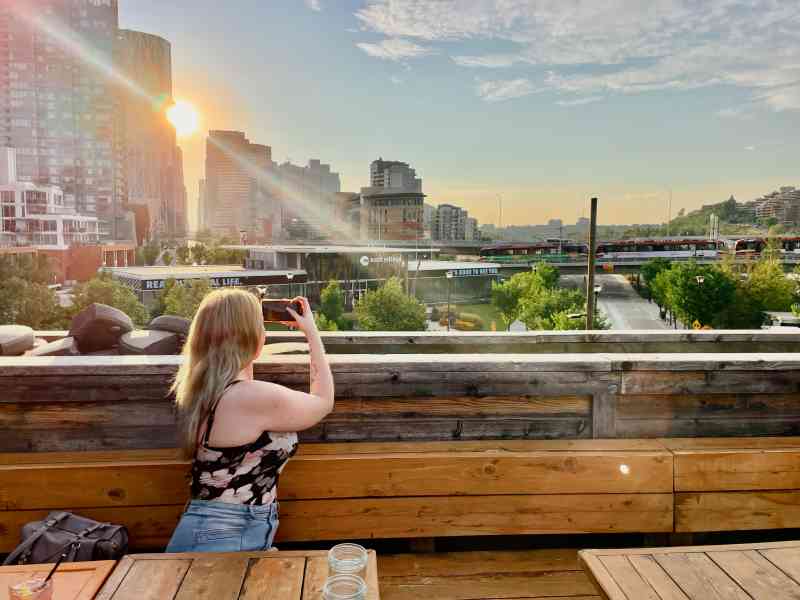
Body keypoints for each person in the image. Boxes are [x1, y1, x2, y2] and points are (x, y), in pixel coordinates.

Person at [166, 289, 333, 552]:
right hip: (226, 536)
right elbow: (323, 402)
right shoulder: (248, 397)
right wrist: (311, 333)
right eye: (258, 324)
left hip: (216, 532)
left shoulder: (203, 391)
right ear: (249, 337)